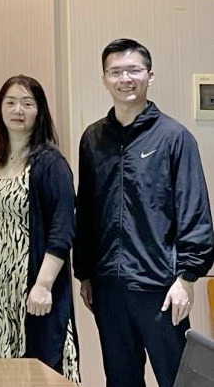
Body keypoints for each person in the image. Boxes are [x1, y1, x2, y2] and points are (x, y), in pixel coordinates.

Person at [74, 39, 213, 387]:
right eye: (115, 72)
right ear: (104, 79)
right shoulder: (93, 139)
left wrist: (187, 278)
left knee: (178, 380)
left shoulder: (174, 137)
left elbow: (194, 210)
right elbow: (86, 211)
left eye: (134, 70)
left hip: (161, 286)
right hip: (108, 286)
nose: (125, 79)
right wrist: (85, 272)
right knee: (120, 379)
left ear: (150, 75)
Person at [0, 75, 79, 382]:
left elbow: (62, 229)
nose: (17, 110)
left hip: (32, 281)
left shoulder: (50, 163)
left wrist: (43, 285)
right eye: (10, 102)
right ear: (0, 109)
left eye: (27, 103)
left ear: (39, 111)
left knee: (39, 362)